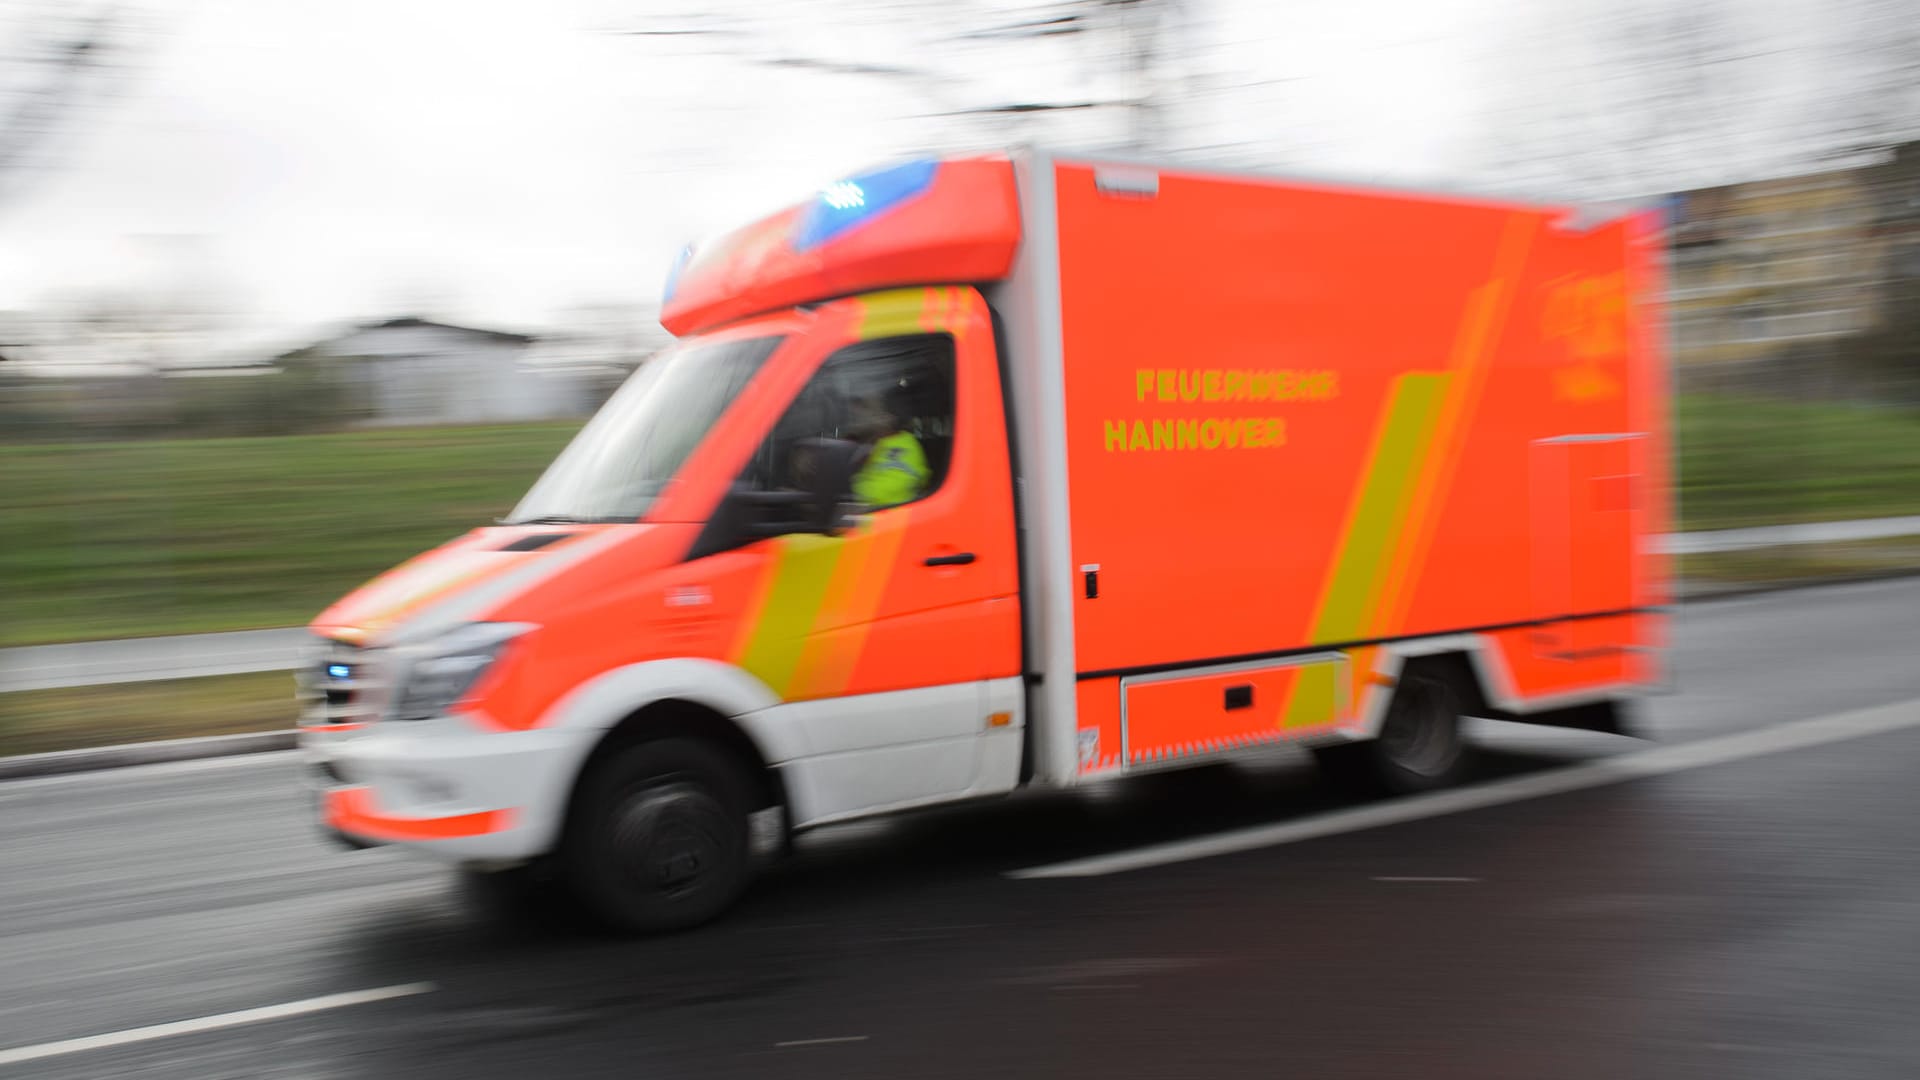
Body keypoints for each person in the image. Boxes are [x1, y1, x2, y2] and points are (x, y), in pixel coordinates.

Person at [847, 386, 930, 508]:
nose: (864, 417)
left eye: (874, 412)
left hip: (892, 522)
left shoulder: (904, 448)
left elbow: (883, 492)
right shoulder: (878, 442)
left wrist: (847, 489)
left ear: (888, 418)